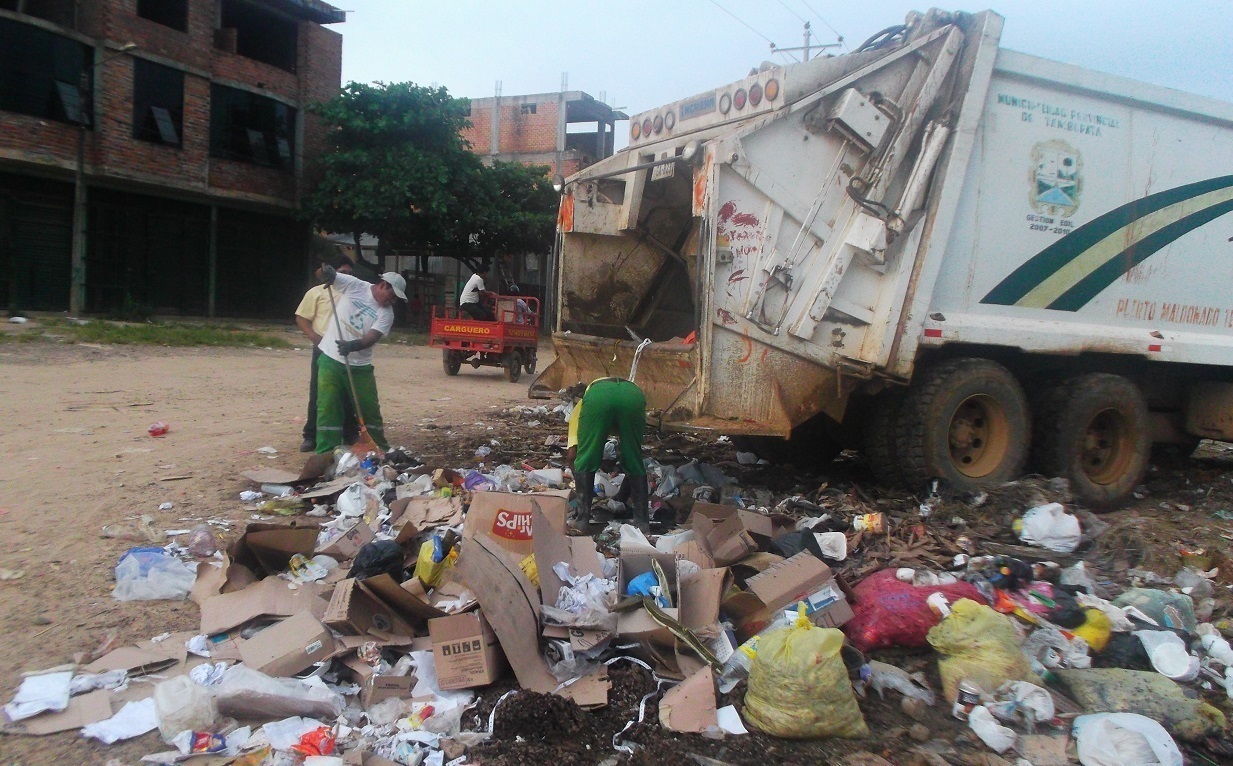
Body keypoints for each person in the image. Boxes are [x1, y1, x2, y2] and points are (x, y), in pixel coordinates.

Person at [314, 265, 407, 454]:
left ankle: (380, 450)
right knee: (328, 407)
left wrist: (352, 346)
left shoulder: (386, 313)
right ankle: (325, 453)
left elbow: (371, 338)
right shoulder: (355, 285)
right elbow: (321, 273)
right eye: (392, 295)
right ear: (383, 285)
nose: (393, 300)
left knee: (369, 409)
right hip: (331, 359)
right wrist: (327, 273)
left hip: (360, 366)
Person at [565, 377, 649, 533]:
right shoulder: (627, 391)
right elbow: (630, 457)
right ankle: (642, 522)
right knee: (634, 458)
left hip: (600, 397)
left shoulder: (581, 408)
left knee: (587, 457)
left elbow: (572, 455)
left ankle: (583, 520)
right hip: (634, 395)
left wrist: (579, 489)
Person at [294, 255, 357, 452]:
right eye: (342, 273)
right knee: (319, 392)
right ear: (334, 272)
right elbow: (301, 318)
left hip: (346, 347)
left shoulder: (354, 293)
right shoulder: (316, 293)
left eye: (349, 273)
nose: (346, 276)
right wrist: (314, 337)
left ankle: (350, 433)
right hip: (323, 348)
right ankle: (311, 435)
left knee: (348, 391)